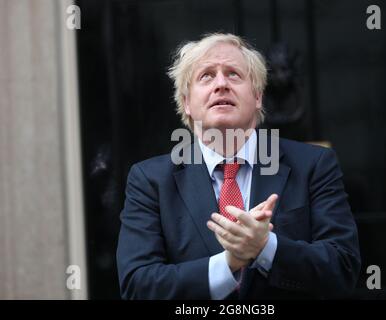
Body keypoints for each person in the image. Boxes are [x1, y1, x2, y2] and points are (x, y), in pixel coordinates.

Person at [116, 33, 361, 299]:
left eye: (233, 74)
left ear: (257, 96)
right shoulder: (150, 181)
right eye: (206, 76)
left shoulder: (314, 165)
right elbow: (138, 286)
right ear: (186, 103)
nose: (221, 84)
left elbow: (342, 267)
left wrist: (267, 247)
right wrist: (229, 263)